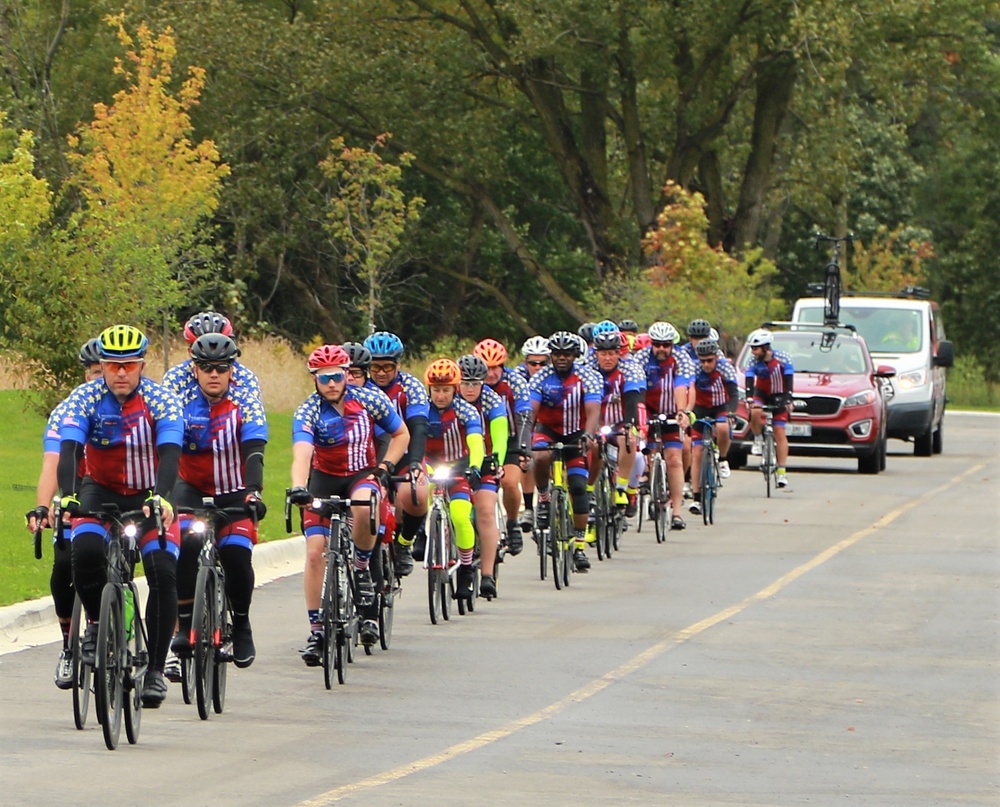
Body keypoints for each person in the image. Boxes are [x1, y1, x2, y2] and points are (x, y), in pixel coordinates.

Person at [56, 325, 183, 707]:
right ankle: (96, 624)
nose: (121, 373)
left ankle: (157, 670)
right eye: (113, 366)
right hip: (101, 489)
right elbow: (70, 451)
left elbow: (172, 454)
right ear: (103, 366)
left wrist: (161, 497)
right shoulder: (86, 397)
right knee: (87, 552)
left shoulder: (161, 400)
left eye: (129, 365)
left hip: (150, 493)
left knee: (161, 570)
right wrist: (69, 498)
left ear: (141, 364)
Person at [290, 345, 409, 662]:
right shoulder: (308, 411)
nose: (331, 383)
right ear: (314, 380)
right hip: (324, 478)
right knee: (315, 552)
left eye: (337, 376)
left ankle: (360, 567)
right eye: (323, 378)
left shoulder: (369, 399)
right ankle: (317, 631)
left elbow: (401, 434)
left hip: (361, 474)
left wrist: (386, 467)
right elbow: (302, 453)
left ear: (347, 375)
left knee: (364, 501)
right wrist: (298, 487)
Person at [170, 334, 268, 670]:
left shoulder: (246, 401)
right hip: (190, 487)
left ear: (232, 370)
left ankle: (241, 623)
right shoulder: (179, 401)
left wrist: (253, 492)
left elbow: (255, 450)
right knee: (184, 542)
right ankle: (184, 620)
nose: (214, 374)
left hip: (234, 489)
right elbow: (164, 449)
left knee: (237, 557)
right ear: (194, 369)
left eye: (222, 368)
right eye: (206, 367)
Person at [25, 338, 103, 689]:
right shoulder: (68, 410)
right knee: (62, 564)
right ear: (86, 374)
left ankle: (116, 623)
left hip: (117, 496)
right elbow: (52, 465)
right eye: (95, 372)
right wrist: (43, 506)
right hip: (76, 494)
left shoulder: (135, 407)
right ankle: (69, 644)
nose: (101, 378)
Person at [528, 331, 602, 572]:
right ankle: (544, 497)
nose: (561, 358)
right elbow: (531, 412)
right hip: (548, 429)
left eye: (566, 354)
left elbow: (592, 410)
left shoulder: (587, 377)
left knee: (578, 487)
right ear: (551, 356)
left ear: (574, 356)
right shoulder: (540, 379)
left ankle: (579, 546)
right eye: (557, 354)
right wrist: (524, 438)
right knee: (539, 455)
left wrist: (589, 435)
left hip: (576, 432)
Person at [362, 331, 429, 576]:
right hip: (368, 454)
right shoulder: (359, 386)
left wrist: (414, 465)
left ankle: (404, 544)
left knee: (416, 494)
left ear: (398, 365)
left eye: (387, 367)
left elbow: (420, 426)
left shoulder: (410, 387)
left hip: (404, 453)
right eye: (375, 366)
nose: (380, 372)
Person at [422, 358, 486, 599]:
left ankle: (467, 570)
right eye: (436, 390)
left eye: (446, 390)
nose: (440, 396)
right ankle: (421, 535)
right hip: (430, 462)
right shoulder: (421, 410)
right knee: (416, 494)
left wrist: (474, 468)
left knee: (460, 516)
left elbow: (476, 443)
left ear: (455, 389)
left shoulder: (466, 411)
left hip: (459, 466)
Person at [456, 354, 508, 598]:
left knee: (485, 511)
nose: (469, 389)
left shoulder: (492, 400)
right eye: (465, 383)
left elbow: (500, 434)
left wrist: (496, 458)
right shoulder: (448, 399)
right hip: (455, 461)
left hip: (485, 459)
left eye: (475, 383)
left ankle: (487, 574)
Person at [473, 338, 531, 556]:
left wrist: (524, 447)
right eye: (486, 368)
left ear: (503, 366)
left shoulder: (514, 382)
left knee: (508, 481)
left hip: (510, 439)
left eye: (496, 367)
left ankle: (513, 522)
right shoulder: (469, 384)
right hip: (478, 441)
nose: (491, 373)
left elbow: (525, 416)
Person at [583, 329, 643, 519]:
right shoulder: (587, 369)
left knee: (629, 440)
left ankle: (621, 487)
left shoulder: (629, 370)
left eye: (611, 353)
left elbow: (633, 399)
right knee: (593, 446)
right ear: (596, 354)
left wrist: (629, 424)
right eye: (603, 354)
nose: (607, 358)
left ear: (619, 354)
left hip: (618, 421)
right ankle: (590, 488)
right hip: (594, 422)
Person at [163, 311, 262, 401]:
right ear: (190, 352)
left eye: (217, 346)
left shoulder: (246, 379)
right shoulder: (175, 378)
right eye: (202, 347)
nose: (211, 353)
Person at [688, 339, 739, 515]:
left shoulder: (725, 368)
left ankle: (723, 459)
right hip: (700, 408)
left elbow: (733, 394)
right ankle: (696, 497)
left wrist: (731, 412)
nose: (706, 364)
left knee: (723, 428)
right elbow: (688, 390)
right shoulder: (693, 368)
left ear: (716, 357)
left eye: (709, 360)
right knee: (697, 453)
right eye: (702, 361)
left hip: (721, 407)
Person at [744, 329, 794, 488]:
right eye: (751, 348)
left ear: (766, 347)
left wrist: (788, 398)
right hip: (761, 393)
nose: (753, 351)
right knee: (755, 410)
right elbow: (749, 380)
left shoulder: (783, 358)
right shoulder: (752, 361)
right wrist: (749, 398)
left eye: (755, 348)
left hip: (780, 394)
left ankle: (782, 472)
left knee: (780, 432)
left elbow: (789, 380)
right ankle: (758, 438)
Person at [512, 335, 550, 529]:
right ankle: (528, 508)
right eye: (533, 363)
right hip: (527, 422)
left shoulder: (554, 376)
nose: (537, 367)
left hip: (550, 422)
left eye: (543, 363)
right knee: (527, 455)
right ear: (525, 362)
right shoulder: (517, 377)